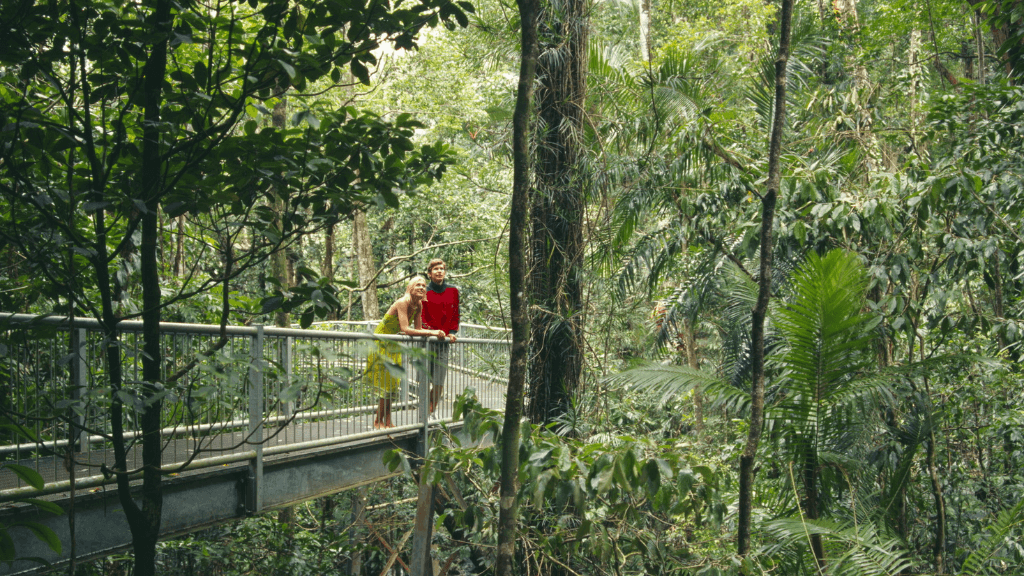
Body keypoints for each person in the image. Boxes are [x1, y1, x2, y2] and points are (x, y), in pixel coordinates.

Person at [365, 276, 446, 429]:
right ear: (411, 288)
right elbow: (406, 329)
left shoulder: (418, 305)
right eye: (418, 285)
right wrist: (433, 333)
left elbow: (418, 329)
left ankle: (387, 421)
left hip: (393, 343)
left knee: (393, 385)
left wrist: (434, 333)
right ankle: (378, 421)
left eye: (423, 285)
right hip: (381, 342)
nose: (421, 288)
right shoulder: (403, 302)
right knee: (386, 386)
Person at [420, 258, 459, 414]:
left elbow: (456, 314)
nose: (439, 271)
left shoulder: (453, 291)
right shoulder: (423, 291)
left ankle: (430, 411)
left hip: (444, 342)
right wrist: (430, 331)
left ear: (445, 272)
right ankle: (423, 414)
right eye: (435, 269)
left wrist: (453, 332)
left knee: (439, 380)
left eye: (442, 268)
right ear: (429, 273)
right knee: (424, 378)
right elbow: (420, 316)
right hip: (426, 341)